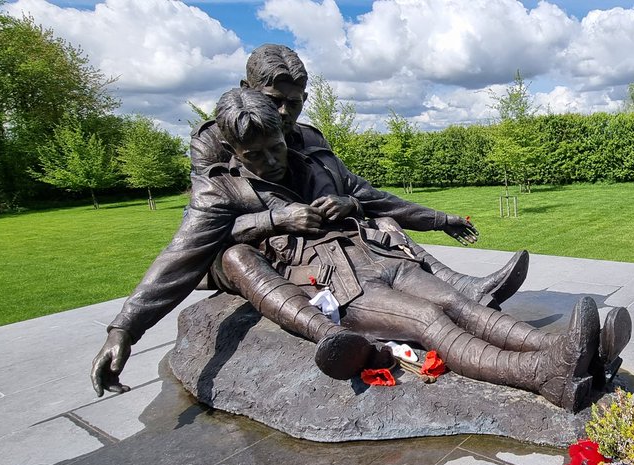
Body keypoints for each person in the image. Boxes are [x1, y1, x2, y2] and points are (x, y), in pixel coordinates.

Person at [91, 88, 631, 411]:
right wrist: (124, 330)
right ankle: (545, 377)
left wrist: (349, 209)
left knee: (460, 304)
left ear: (286, 130)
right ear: (232, 153)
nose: (271, 161)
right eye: (254, 156)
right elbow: (178, 260)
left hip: (375, 255)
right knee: (432, 321)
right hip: (334, 285)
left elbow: (369, 199)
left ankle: (568, 352)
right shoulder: (219, 188)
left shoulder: (314, 157)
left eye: (276, 146)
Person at [190, 44, 527, 308]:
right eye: (273, 101)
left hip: (319, 242)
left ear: (305, 99)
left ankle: (461, 285)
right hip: (257, 252)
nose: (284, 114)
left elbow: (366, 195)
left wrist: (437, 218)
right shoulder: (212, 142)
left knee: (383, 224)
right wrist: (275, 219)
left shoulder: (310, 139)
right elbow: (204, 229)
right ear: (246, 89)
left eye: (293, 104)